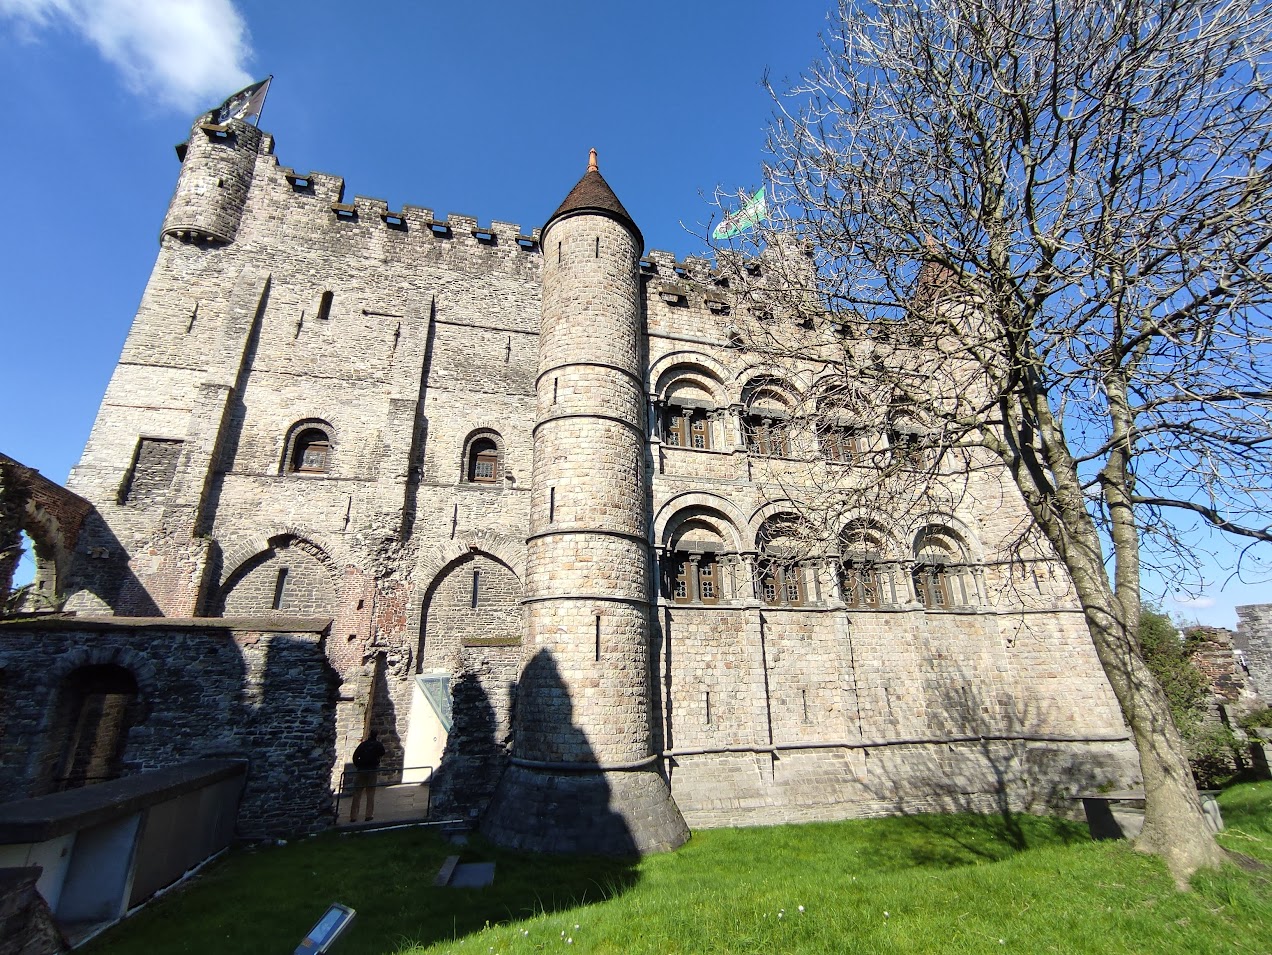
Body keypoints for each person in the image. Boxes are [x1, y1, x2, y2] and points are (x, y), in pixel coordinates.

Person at [348, 730, 386, 822]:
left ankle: (353, 816)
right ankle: (368, 815)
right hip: (372, 770)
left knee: (357, 793)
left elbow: (355, 756)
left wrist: (359, 765)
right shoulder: (378, 745)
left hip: (362, 770)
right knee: (370, 793)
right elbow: (382, 753)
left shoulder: (363, 745)